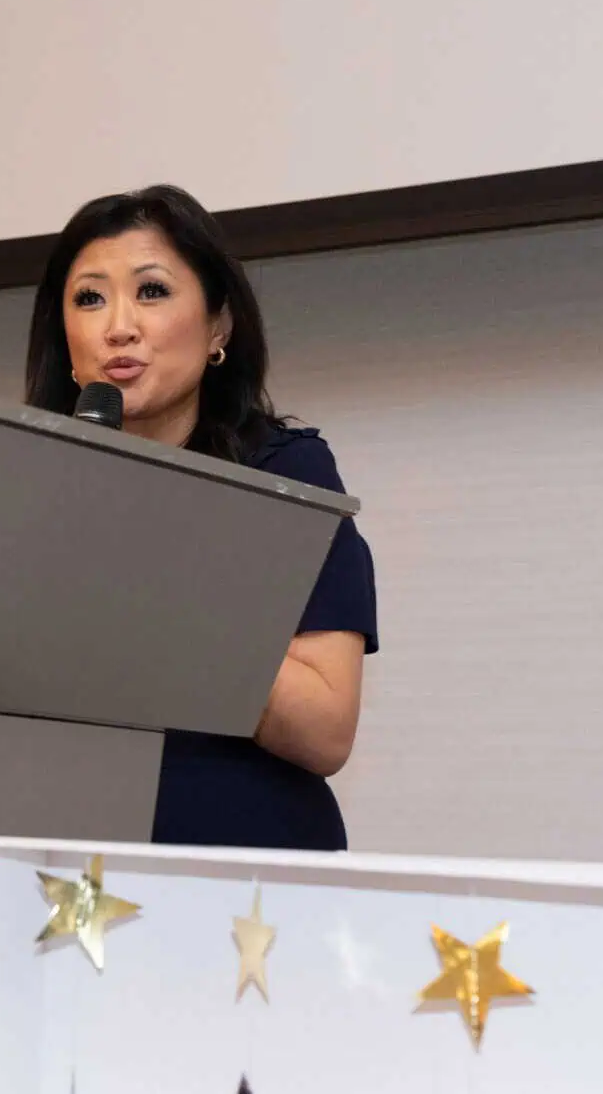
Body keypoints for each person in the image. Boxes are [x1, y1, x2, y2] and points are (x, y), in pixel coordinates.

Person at [25, 184, 378, 850]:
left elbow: (326, 729)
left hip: (247, 880)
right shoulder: (23, 488)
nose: (118, 325)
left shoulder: (285, 475)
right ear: (64, 337)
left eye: (152, 291)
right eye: (90, 297)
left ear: (218, 325)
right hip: (67, 868)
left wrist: (159, 577)